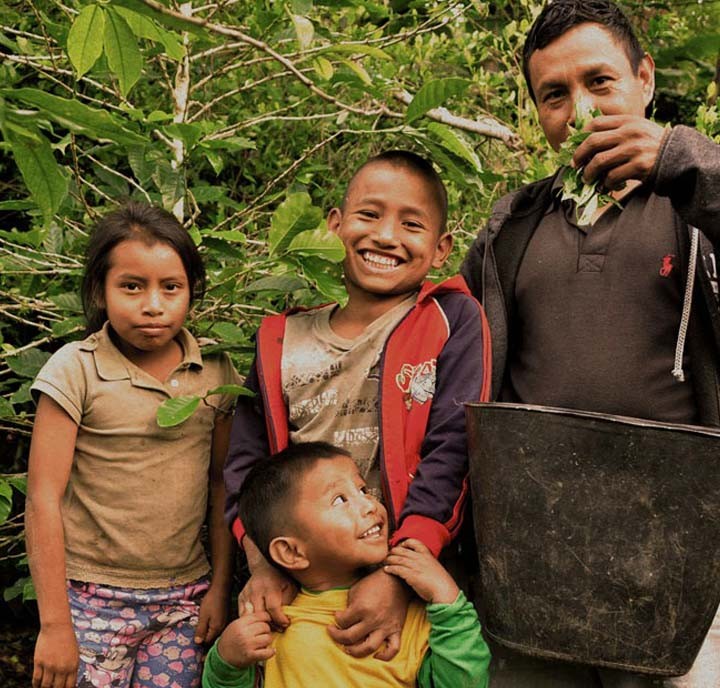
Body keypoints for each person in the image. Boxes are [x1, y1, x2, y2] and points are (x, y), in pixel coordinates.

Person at [460, 1, 720, 687]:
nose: (581, 109)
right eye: (555, 94)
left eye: (600, 82)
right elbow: (449, 344)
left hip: (679, 554)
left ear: (644, 79)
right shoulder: (510, 229)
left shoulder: (696, 205)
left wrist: (684, 159)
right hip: (538, 556)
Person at [224, 149, 492, 660]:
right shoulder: (281, 339)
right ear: (334, 225)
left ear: (441, 249)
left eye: (411, 224)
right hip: (298, 585)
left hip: (410, 579)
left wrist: (399, 579)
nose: (386, 236)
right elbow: (247, 467)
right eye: (369, 215)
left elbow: (455, 451)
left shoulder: (452, 320)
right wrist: (260, 563)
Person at [25, 202, 240, 688]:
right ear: (101, 292)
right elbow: (43, 497)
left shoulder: (216, 374)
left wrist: (220, 589)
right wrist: (56, 625)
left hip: (184, 599)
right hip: (87, 598)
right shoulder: (74, 369)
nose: (152, 305)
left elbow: (222, 484)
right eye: (131, 286)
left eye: (171, 287)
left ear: (191, 291)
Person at [204, 442, 491, 687]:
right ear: (291, 551)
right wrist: (227, 662)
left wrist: (449, 601)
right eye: (340, 499)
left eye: (363, 490)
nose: (369, 505)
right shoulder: (272, 617)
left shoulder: (407, 615)